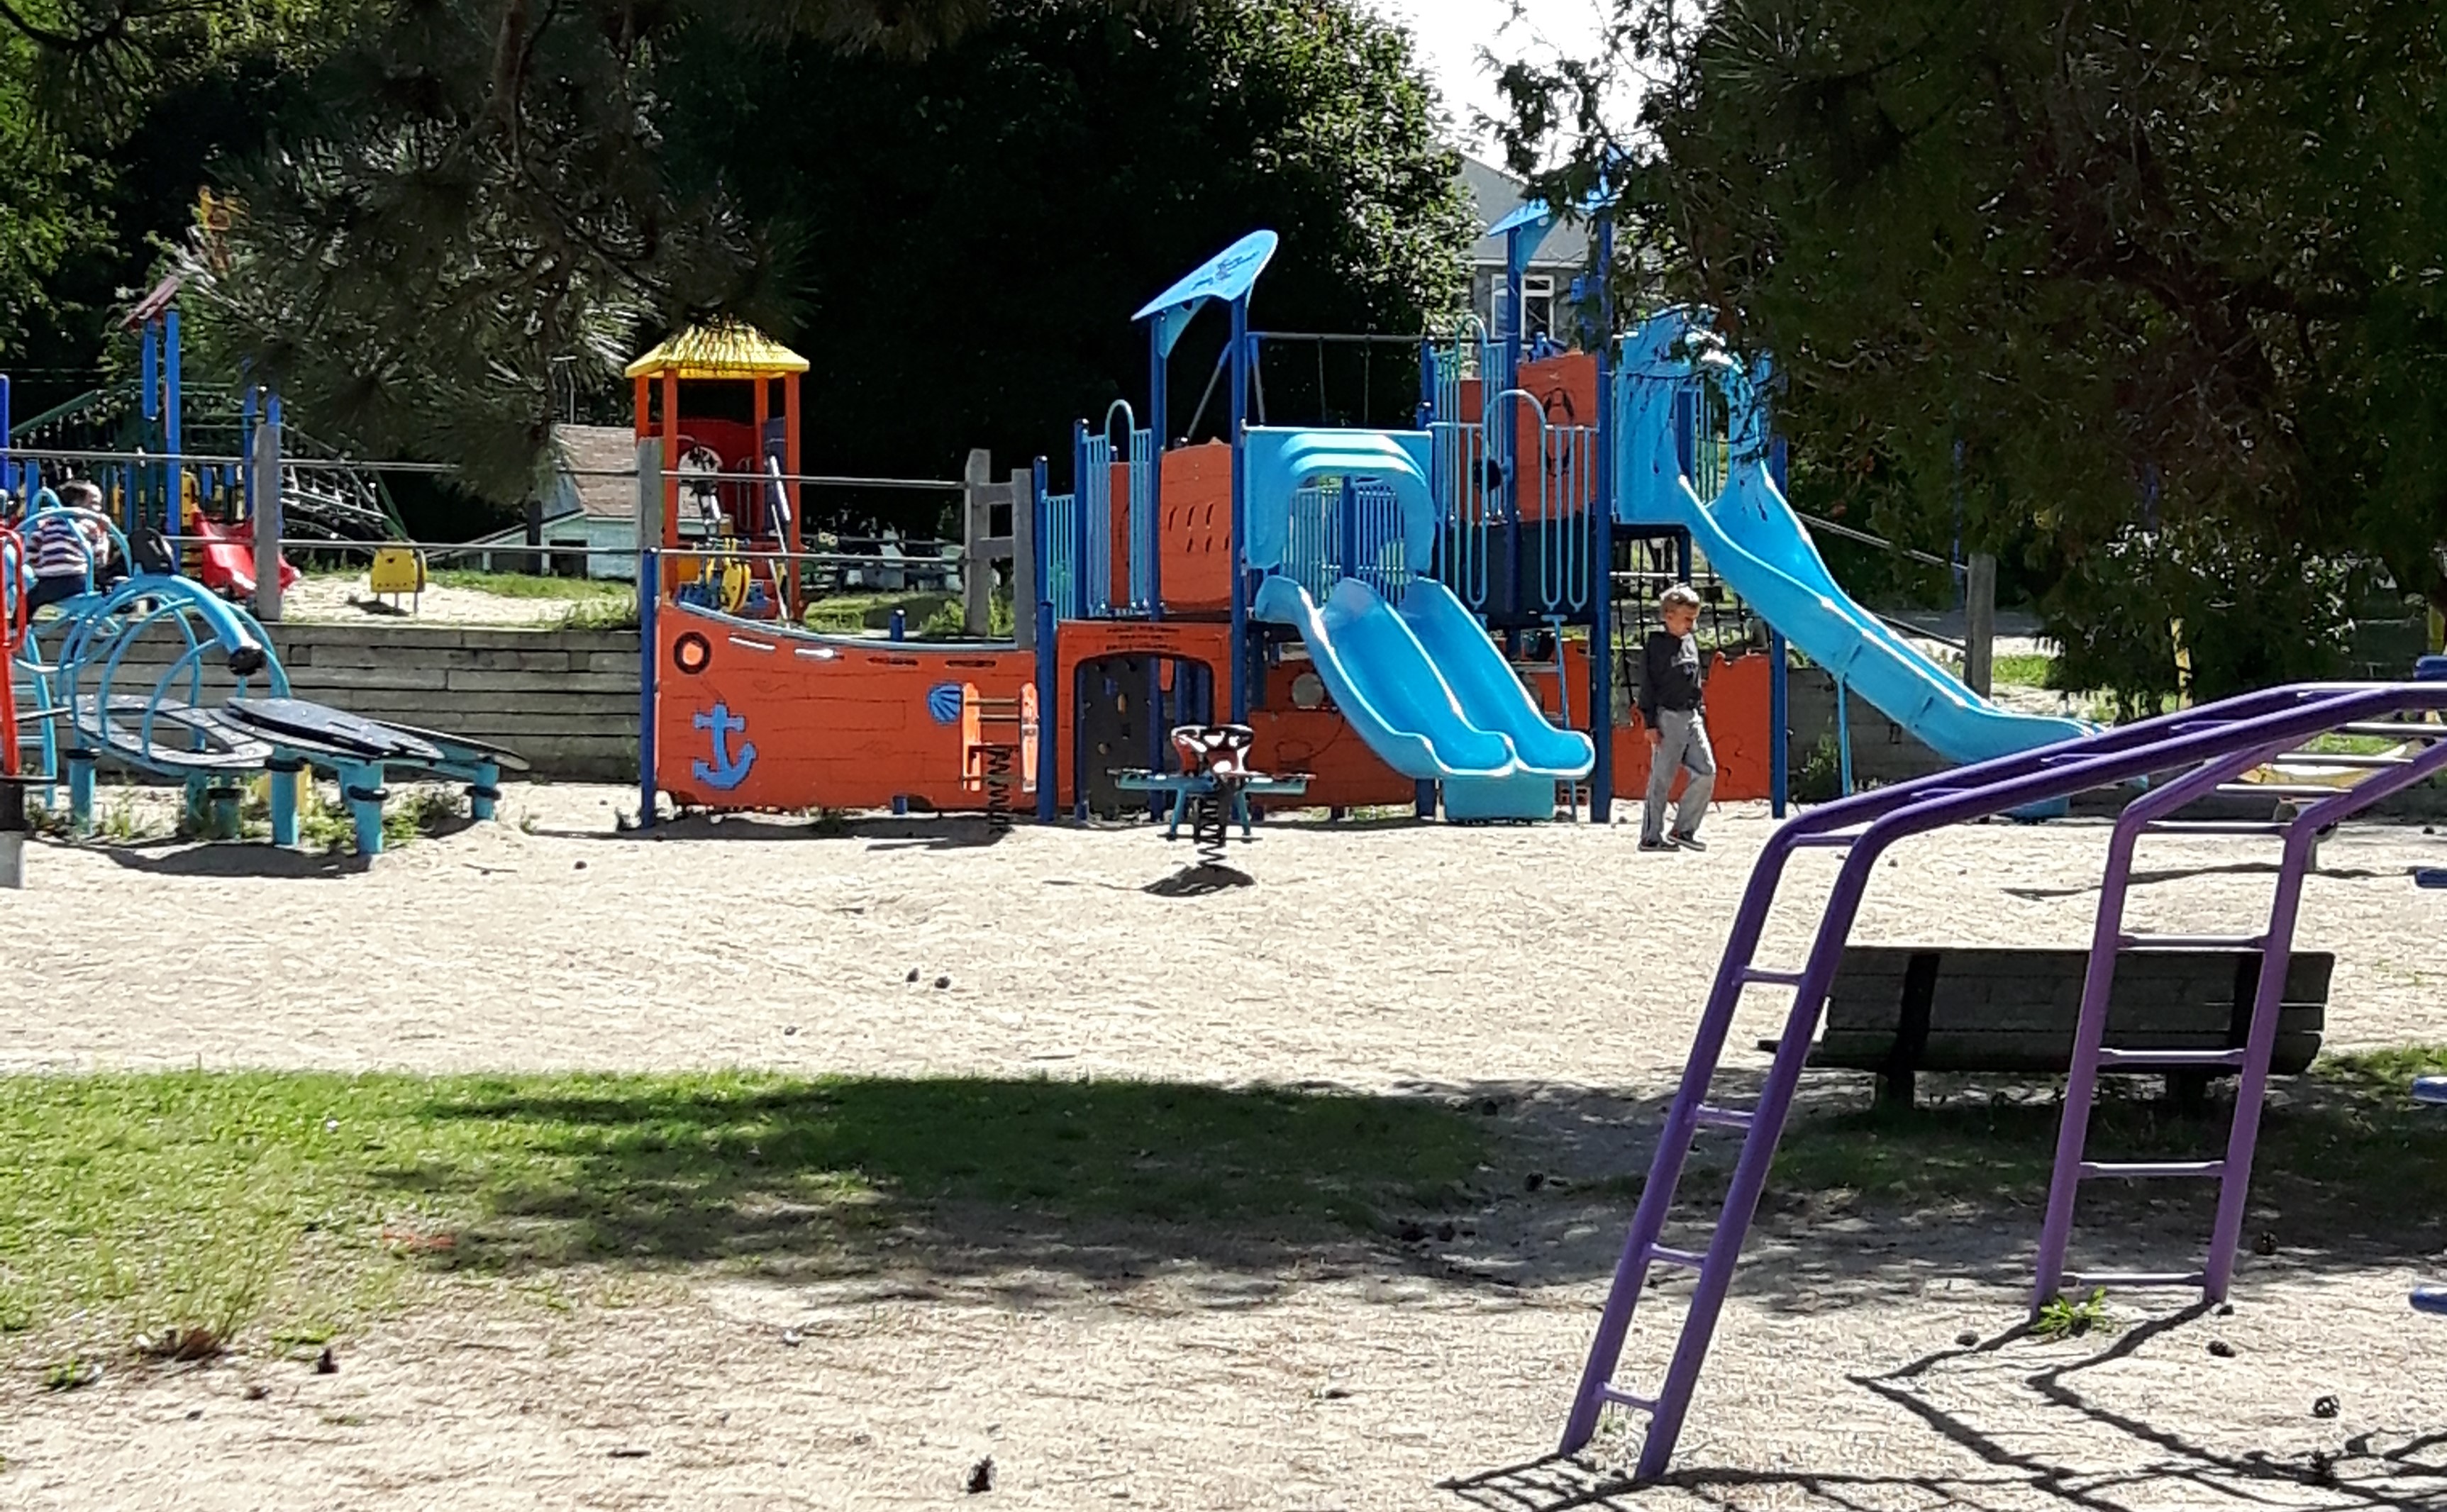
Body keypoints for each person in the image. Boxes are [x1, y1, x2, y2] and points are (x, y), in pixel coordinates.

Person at [1639, 582, 1717, 852]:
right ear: (1668, 616)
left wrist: (1701, 712)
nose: (1691, 626)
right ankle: (1651, 836)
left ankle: (1684, 829)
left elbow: (1695, 681)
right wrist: (1649, 722)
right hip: (1667, 718)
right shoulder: (1656, 647)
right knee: (1662, 778)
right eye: (1686, 619)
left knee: (1707, 771)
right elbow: (1647, 685)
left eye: (1694, 620)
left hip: (1692, 716)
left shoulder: (1690, 642)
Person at [24, 480, 123, 613]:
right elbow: (100, 557)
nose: (99, 509)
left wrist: (41, 567)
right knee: (105, 576)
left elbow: (31, 549)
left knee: (27, 603)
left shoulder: (47, 523)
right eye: (94, 504)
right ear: (76, 504)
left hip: (49, 581)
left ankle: (16, 628)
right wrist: (104, 533)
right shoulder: (89, 525)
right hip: (78, 579)